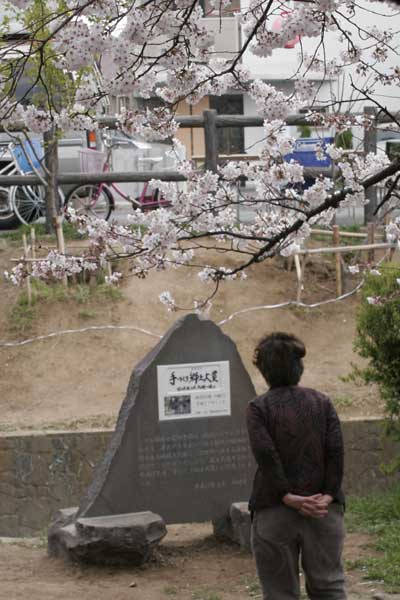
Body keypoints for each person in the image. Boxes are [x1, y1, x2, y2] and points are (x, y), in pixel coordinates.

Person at [246, 332, 346, 600]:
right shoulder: (322, 402)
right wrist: (327, 495)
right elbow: (336, 451)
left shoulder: (258, 408)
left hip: (274, 510)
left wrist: (289, 497)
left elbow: (266, 454)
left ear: (264, 370)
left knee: (279, 594)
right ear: (298, 367)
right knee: (330, 588)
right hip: (324, 511)